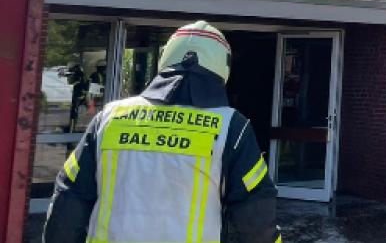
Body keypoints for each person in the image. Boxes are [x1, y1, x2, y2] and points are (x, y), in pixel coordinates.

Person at [43, 21, 281, 243]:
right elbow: (255, 221)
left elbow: (68, 202)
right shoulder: (232, 127)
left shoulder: (109, 117)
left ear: (164, 60)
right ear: (223, 67)